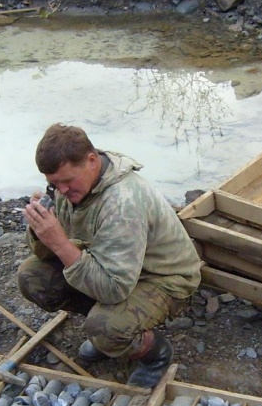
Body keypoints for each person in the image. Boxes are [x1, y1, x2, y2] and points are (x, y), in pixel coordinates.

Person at [18, 123, 202, 388]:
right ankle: (111, 332)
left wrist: (59, 242)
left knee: (105, 327)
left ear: (91, 161)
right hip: (112, 266)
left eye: (67, 181)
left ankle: (155, 354)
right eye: (54, 184)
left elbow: (114, 288)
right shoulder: (69, 188)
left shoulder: (122, 203)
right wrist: (40, 230)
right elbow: (47, 255)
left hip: (162, 278)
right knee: (32, 277)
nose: (62, 191)